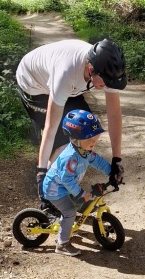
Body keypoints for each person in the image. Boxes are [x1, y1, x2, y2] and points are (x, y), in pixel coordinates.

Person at [15, 37, 127, 199]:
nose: (108, 85)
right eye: (105, 82)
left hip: (68, 84)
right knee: (64, 143)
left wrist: (117, 160)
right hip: (34, 84)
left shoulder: (106, 69)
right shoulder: (66, 74)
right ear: (90, 69)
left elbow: (114, 114)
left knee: (88, 134)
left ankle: (65, 187)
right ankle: (51, 190)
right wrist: (41, 173)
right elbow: (50, 128)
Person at [42, 109, 121, 256]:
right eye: (89, 140)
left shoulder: (85, 151)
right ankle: (62, 244)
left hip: (65, 187)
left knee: (80, 204)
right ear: (74, 140)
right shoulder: (70, 158)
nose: (93, 143)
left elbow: (97, 161)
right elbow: (66, 180)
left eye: (95, 140)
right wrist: (81, 193)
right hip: (55, 190)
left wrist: (111, 172)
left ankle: (65, 221)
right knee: (70, 211)